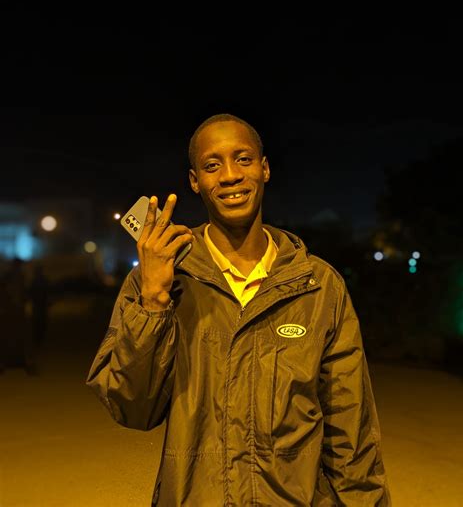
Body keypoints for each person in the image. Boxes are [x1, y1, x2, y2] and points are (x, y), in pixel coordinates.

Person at [86, 113, 391, 506]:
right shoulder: (160, 280)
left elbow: (352, 429)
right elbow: (133, 409)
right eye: (212, 165)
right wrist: (154, 301)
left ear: (264, 169)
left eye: (243, 159)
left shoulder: (318, 286)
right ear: (195, 180)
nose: (230, 176)